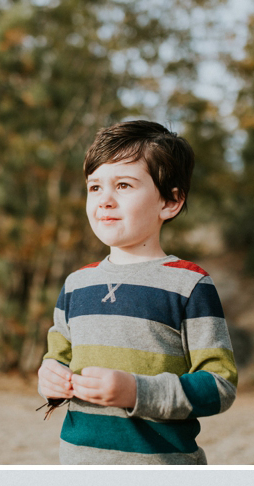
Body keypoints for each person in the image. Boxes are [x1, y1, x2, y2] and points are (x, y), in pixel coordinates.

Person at [38, 118, 238, 465]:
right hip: (78, 463)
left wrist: (136, 391)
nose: (105, 200)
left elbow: (219, 386)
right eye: (95, 187)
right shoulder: (76, 284)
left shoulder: (188, 285)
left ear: (170, 202)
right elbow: (58, 357)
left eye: (125, 185)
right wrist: (50, 379)